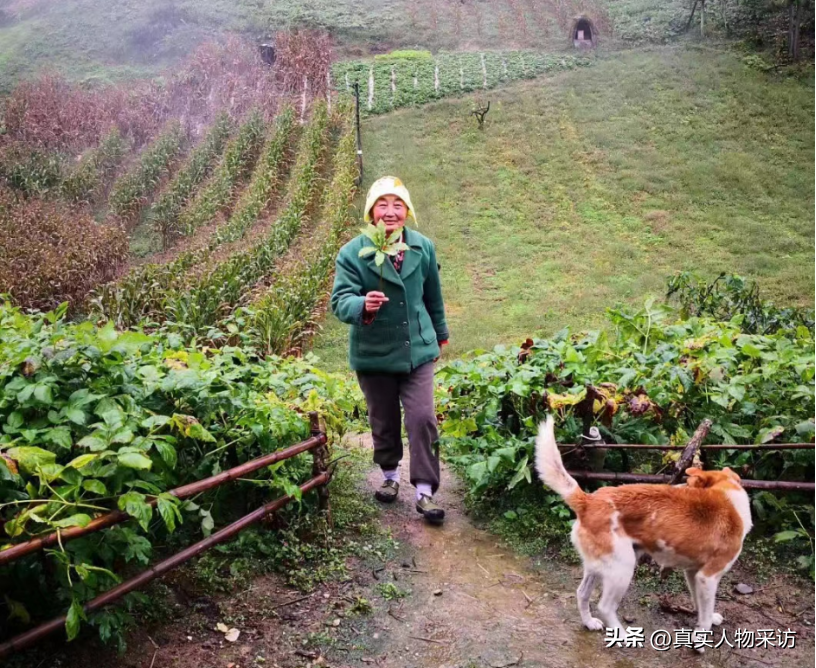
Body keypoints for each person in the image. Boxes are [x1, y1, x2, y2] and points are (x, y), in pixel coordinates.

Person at [331, 176, 449, 525]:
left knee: (422, 417)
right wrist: (362, 305)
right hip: (374, 353)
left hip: (417, 351)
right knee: (382, 419)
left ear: (407, 210)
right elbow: (340, 301)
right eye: (382, 204)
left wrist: (440, 334)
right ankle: (389, 476)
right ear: (371, 212)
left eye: (398, 204)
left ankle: (425, 491)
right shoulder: (353, 252)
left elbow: (433, 296)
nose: (390, 211)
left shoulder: (422, 247)